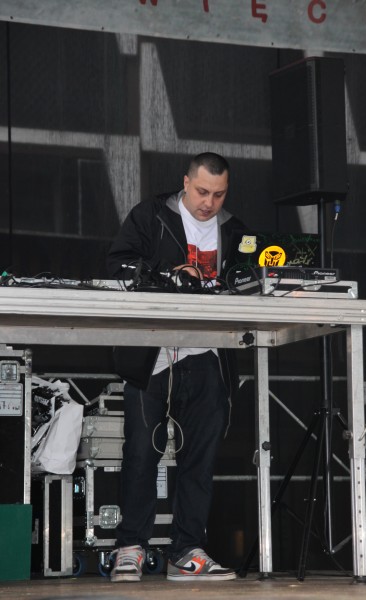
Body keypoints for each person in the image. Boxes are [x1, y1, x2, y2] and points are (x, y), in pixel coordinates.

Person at [107, 152, 245, 583]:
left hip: (209, 357)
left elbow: (248, 284)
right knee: (140, 455)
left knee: (199, 461)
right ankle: (130, 547)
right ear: (185, 182)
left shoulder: (235, 230)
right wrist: (168, 272)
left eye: (218, 195)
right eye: (202, 192)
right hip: (153, 356)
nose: (209, 203)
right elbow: (116, 264)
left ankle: (186, 550)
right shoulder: (150, 216)